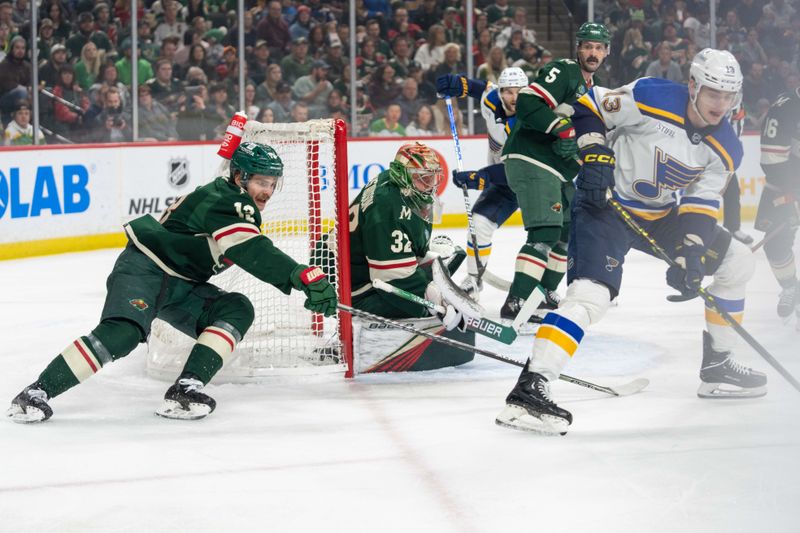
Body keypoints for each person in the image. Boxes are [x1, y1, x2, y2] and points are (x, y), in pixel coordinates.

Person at [495, 49, 768, 436]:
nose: (720, 105)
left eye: (728, 96)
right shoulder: (650, 96)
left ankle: (718, 365)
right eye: (712, 93)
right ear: (692, 86)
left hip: (660, 217)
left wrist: (691, 251)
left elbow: (701, 202)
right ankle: (530, 388)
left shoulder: (727, 146)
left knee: (737, 261)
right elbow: (588, 106)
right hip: (603, 206)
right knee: (592, 296)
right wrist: (594, 152)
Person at [7, 142, 338, 423]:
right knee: (122, 333)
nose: (267, 191)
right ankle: (35, 392)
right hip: (145, 269)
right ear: (240, 177)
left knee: (236, 308)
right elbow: (251, 250)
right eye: (262, 182)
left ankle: (186, 389)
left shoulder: (231, 199)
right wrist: (302, 275)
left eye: (273, 183)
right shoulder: (230, 200)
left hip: (183, 285)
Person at [497, 22, 609, 324]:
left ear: (606, 52)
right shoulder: (565, 71)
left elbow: (580, 140)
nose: (592, 52)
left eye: (598, 48)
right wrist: (563, 129)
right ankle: (516, 301)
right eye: (587, 46)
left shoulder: (595, 91)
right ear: (578, 48)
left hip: (555, 169)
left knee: (566, 229)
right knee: (545, 231)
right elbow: (527, 102)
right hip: (531, 158)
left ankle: (543, 293)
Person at [347, 142, 477, 370]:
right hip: (353, 291)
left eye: (433, 178)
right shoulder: (387, 208)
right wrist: (432, 303)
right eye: (423, 178)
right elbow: (391, 278)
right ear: (403, 175)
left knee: (448, 258)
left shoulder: (394, 183)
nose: (430, 185)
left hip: (356, 269)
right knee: (427, 291)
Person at [435, 67, 529, 298]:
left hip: (535, 182)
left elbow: (519, 169)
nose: (514, 98)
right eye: (508, 92)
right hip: (504, 183)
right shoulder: (493, 99)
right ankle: (474, 282)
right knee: (478, 223)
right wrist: (458, 84)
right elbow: (482, 89)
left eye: (519, 92)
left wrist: (482, 177)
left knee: (550, 236)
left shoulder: (528, 121)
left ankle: (561, 285)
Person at [756, 88, 800, 322]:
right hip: (787, 183)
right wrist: (794, 192)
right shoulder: (785, 109)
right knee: (775, 245)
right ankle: (791, 286)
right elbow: (772, 160)